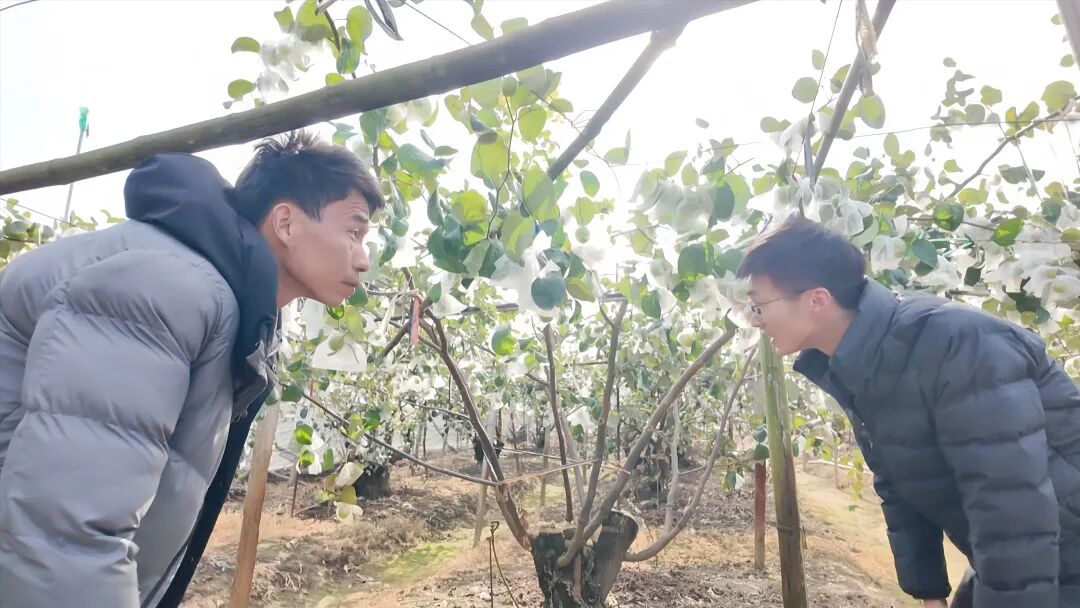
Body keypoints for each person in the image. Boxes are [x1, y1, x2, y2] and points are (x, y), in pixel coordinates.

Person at [0, 130, 384, 607]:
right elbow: (65, 539)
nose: (363, 260)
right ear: (286, 222)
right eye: (353, 232)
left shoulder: (225, 303)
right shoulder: (164, 289)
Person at [737, 216, 1079, 608]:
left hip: (1057, 554)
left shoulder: (959, 345)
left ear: (817, 299)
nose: (754, 319)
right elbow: (899, 478)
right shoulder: (861, 360)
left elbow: (1011, 509)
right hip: (1024, 557)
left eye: (759, 305)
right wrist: (928, 591)